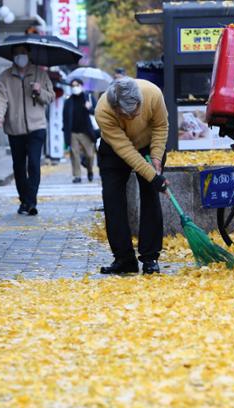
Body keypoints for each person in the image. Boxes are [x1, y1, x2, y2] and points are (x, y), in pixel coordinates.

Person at [95, 77, 169, 275]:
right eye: (126, 115)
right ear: (116, 108)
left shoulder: (153, 94)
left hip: (148, 142)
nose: (133, 117)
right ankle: (124, 259)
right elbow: (126, 151)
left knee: (150, 195)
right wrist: (153, 177)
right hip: (115, 149)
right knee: (112, 200)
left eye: (136, 111)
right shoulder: (103, 111)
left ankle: (150, 257)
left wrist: (156, 159)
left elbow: (161, 126)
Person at [0, 45, 55, 216]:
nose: (21, 56)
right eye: (17, 53)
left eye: (23, 53)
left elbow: (50, 97)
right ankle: (24, 200)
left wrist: (39, 90)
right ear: (12, 56)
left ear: (29, 54)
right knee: (19, 167)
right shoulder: (5, 76)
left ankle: (31, 201)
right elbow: (0, 99)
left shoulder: (40, 73)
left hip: (37, 128)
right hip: (14, 129)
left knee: (34, 164)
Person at [63, 78, 97, 183]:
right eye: (72, 86)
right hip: (73, 132)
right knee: (74, 154)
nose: (74, 88)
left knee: (90, 155)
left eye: (76, 85)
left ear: (81, 86)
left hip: (86, 131)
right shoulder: (68, 101)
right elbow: (65, 117)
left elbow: (96, 112)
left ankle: (90, 170)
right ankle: (77, 176)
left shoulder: (88, 98)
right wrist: (65, 131)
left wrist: (90, 108)